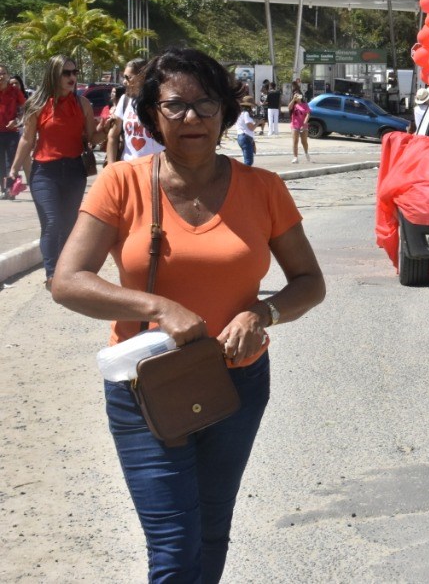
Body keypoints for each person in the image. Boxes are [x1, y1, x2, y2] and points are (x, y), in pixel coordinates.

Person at [51, 46, 325, 582]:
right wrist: (157, 306)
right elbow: (67, 281)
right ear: (152, 113)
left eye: (206, 104)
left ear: (226, 110)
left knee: (210, 530)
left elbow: (310, 283)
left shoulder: (263, 189)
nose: (192, 118)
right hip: (145, 387)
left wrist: (262, 315)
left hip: (237, 386)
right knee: (175, 548)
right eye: (175, 106)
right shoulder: (121, 184)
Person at [7, 56, 108, 284]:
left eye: (74, 72)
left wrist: (105, 129)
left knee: (69, 223)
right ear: (54, 74)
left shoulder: (83, 105)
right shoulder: (38, 104)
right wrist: (14, 169)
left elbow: (92, 138)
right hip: (44, 172)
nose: (72, 77)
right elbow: (27, 139)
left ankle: (65, 269)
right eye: (66, 73)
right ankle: (52, 274)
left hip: (74, 171)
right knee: (52, 222)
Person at [106, 58, 163, 164]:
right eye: (124, 77)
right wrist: (111, 166)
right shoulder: (125, 100)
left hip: (155, 168)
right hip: (129, 167)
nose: (124, 81)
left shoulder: (159, 101)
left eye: (128, 77)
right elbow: (113, 135)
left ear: (143, 77)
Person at [0, 62, 26, 199]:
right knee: (0, 163)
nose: (1, 76)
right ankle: (4, 189)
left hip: (11, 132)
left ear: (8, 75)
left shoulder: (15, 91)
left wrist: (17, 120)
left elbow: (24, 108)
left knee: (10, 162)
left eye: (3, 73)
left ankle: (10, 190)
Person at [234, 97, 258, 166]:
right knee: (248, 161)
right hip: (245, 137)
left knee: (247, 159)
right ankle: (244, 175)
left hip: (241, 136)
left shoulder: (240, 114)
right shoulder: (246, 114)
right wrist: (258, 122)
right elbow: (251, 128)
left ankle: (244, 175)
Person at [288, 92, 311, 163]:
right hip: (295, 125)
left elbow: (308, 114)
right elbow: (289, 107)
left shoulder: (305, 105)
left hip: (303, 125)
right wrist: (293, 100)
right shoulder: (294, 105)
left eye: (298, 95)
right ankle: (295, 157)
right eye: (296, 96)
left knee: (304, 142)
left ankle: (306, 153)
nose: (297, 97)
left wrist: (304, 123)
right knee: (295, 141)